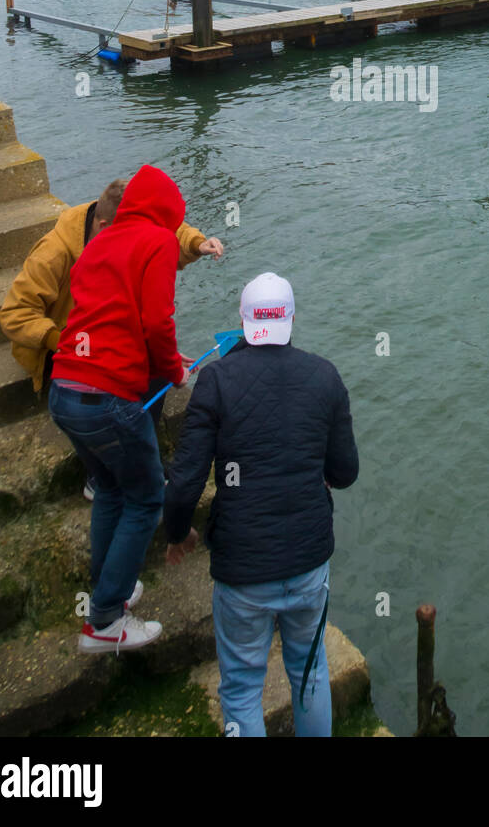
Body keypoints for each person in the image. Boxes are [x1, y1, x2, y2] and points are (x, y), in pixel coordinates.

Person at [163, 272, 359, 737]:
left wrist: (178, 533)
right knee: (310, 674)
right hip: (309, 562)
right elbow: (345, 472)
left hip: (242, 570)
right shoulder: (325, 376)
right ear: (291, 320)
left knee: (243, 686)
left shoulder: (214, 381)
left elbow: (184, 480)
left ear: (245, 323)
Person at [48, 165, 192, 653]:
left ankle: (112, 590)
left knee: (109, 489)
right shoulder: (159, 242)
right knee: (148, 498)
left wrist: (159, 358)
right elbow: (156, 321)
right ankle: (106, 621)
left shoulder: (99, 244)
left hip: (65, 389)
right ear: (169, 213)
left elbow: (108, 319)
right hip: (108, 398)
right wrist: (174, 370)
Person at [0, 177, 222, 397]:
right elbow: (15, 314)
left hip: (102, 332)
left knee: (156, 359)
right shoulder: (51, 255)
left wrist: (196, 244)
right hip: (62, 346)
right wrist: (66, 343)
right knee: (150, 372)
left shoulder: (114, 227)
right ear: (106, 226)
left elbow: (165, 227)